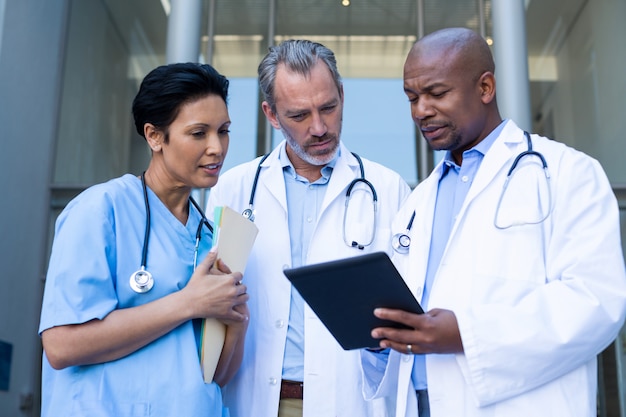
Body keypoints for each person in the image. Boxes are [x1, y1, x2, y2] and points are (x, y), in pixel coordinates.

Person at [360, 27, 626, 417]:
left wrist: (466, 335)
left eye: (436, 94)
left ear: (485, 88)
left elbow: (596, 302)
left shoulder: (567, 172)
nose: (420, 111)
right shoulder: (418, 201)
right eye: (412, 98)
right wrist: (380, 334)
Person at [206, 39, 411, 417]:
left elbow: (406, 312)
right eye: (299, 115)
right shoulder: (233, 190)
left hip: (349, 400)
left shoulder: (388, 190)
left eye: (329, 108)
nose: (319, 127)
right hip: (257, 399)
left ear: (342, 95)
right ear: (271, 114)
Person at [38, 62, 249, 416]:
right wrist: (190, 303)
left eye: (223, 131)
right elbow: (61, 345)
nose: (217, 147)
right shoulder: (101, 210)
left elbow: (219, 375)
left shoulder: (213, 235)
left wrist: (236, 319)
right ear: (154, 136)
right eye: (198, 133)